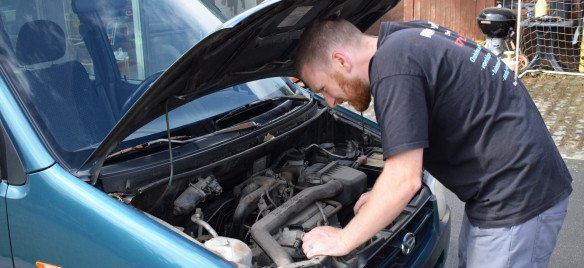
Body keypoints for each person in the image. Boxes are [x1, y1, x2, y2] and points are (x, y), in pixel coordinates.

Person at [294, 19, 572, 267]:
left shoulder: (393, 69)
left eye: (322, 89)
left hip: (517, 197)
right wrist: (381, 197)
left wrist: (344, 239)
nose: (329, 102)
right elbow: (421, 132)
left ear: (341, 60)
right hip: (501, 188)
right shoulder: (402, 37)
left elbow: (405, 179)